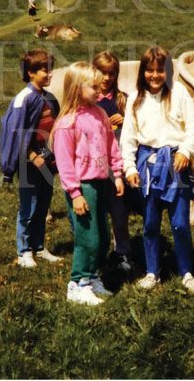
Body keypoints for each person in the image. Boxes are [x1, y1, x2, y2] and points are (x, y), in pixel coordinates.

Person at [120, 46, 194, 294]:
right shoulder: (135, 98)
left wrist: (186, 151)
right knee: (150, 223)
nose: (155, 75)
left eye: (160, 70)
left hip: (176, 165)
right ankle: (152, 272)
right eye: (150, 70)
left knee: (179, 223)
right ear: (142, 72)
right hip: (148, 166)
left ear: (167, 71)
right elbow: (128, 138)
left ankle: (186, 272)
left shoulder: (178, 93)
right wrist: (129, 167)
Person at [53, 62, 125, 305]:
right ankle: (77, 283)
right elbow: (64, 163)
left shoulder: (99, 114)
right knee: (88, 238)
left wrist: (116, 174)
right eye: (93, 87)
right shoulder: (67, 123)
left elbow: (111, 145)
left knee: (103, 237)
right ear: (76, 88)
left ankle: (92, 276)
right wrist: (75, 194)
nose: (99, 90)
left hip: (101, 183)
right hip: (82, 187)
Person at [0, 49, 62, 268]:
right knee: (29, 205)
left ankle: (39, 246)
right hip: (29, 161)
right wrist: (31, 155)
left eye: (49, 69)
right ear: (31, 72)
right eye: (44, 70)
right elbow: (14, 132)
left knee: (44, 202)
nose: (49, 74)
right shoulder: (23, 99)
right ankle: (23, 251)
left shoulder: (49, 98)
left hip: (47, 159)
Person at [92, 51, 135, 272]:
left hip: (116, 166)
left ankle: (122, 252)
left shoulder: (122, 99)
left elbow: (136, 129)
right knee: (96, 213)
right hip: (93, 166)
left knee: (119, 212)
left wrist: (126, 120)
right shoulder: (88, 100)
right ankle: (96, 254)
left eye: (112, 73)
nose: (107, 78)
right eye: (103, 73)